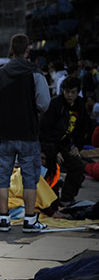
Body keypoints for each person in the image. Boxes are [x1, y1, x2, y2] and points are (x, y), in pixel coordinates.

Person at [0, 33, 50, 233]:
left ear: (11, 50)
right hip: (28, 133)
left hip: (5, 133)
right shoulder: (36, 73)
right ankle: (30, 220)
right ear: (28, 50)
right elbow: (44, 103)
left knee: (2, 176)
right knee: (30, 177)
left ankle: (4, 218)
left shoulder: (0, 74)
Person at [39, 76, 91, 206]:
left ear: (77, 92)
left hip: (65, 144)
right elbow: (44, 130)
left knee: (77, 166)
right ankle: (48, 200)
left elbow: (84, 128)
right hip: (48, 144)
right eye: (67, 91)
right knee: (52, 167)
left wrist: (77, 147)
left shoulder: (80, 104)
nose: (69, 95)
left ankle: (67, 198)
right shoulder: (55, 104)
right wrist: (54, 152)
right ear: (63, 90)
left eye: (73, 92)